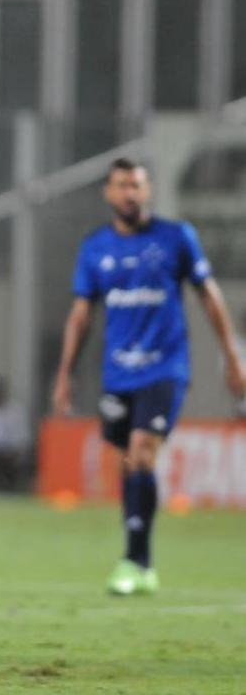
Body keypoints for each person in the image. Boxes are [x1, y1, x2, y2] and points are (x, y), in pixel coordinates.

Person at [51, 157, 246, 596]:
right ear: (108, 192)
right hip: (119, 373)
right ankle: (139, 559)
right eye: (122, 185)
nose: (130, 194)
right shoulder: (95, 249)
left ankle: (136, 560)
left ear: (149, 191)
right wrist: (64, 375)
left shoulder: (177, 238)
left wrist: (232, 357)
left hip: (165, 367)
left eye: (137, 185)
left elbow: (209, 298)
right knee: (130, 459)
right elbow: (80, 316)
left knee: (142, 449)